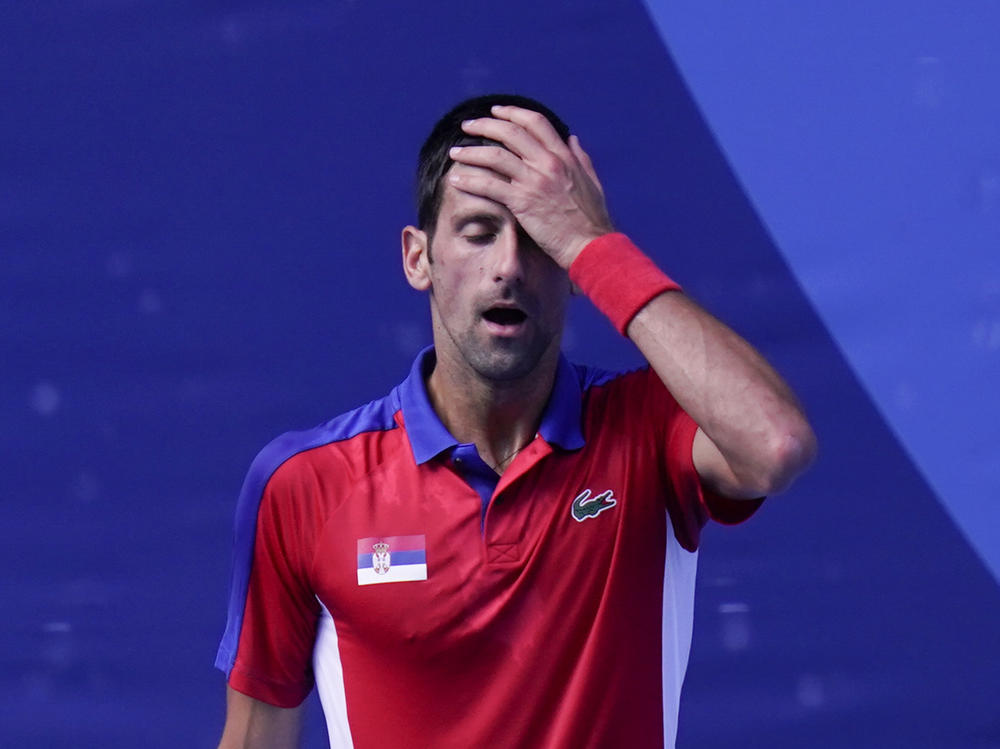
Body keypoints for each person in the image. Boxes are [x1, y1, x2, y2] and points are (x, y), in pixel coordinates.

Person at [214, 93, 816, 749]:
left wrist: (593, 242)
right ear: (418, 257)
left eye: (539, 239)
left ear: (575, 270)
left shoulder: (649, 430)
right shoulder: (304, 484)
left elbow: (774, 443)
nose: (508, 266)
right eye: (478, 232)